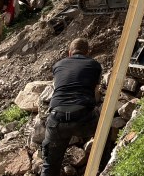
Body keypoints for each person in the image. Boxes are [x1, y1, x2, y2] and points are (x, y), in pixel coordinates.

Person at [42, 38, 103, 176]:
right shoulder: (94, 65)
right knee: (104, 133)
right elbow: (96, 93)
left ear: (69, 53)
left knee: (50, 164)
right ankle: (103, 166)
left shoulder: (58, 65)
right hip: (83, 118)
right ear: (88, 52)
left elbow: (57, 87)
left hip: (57, 119)